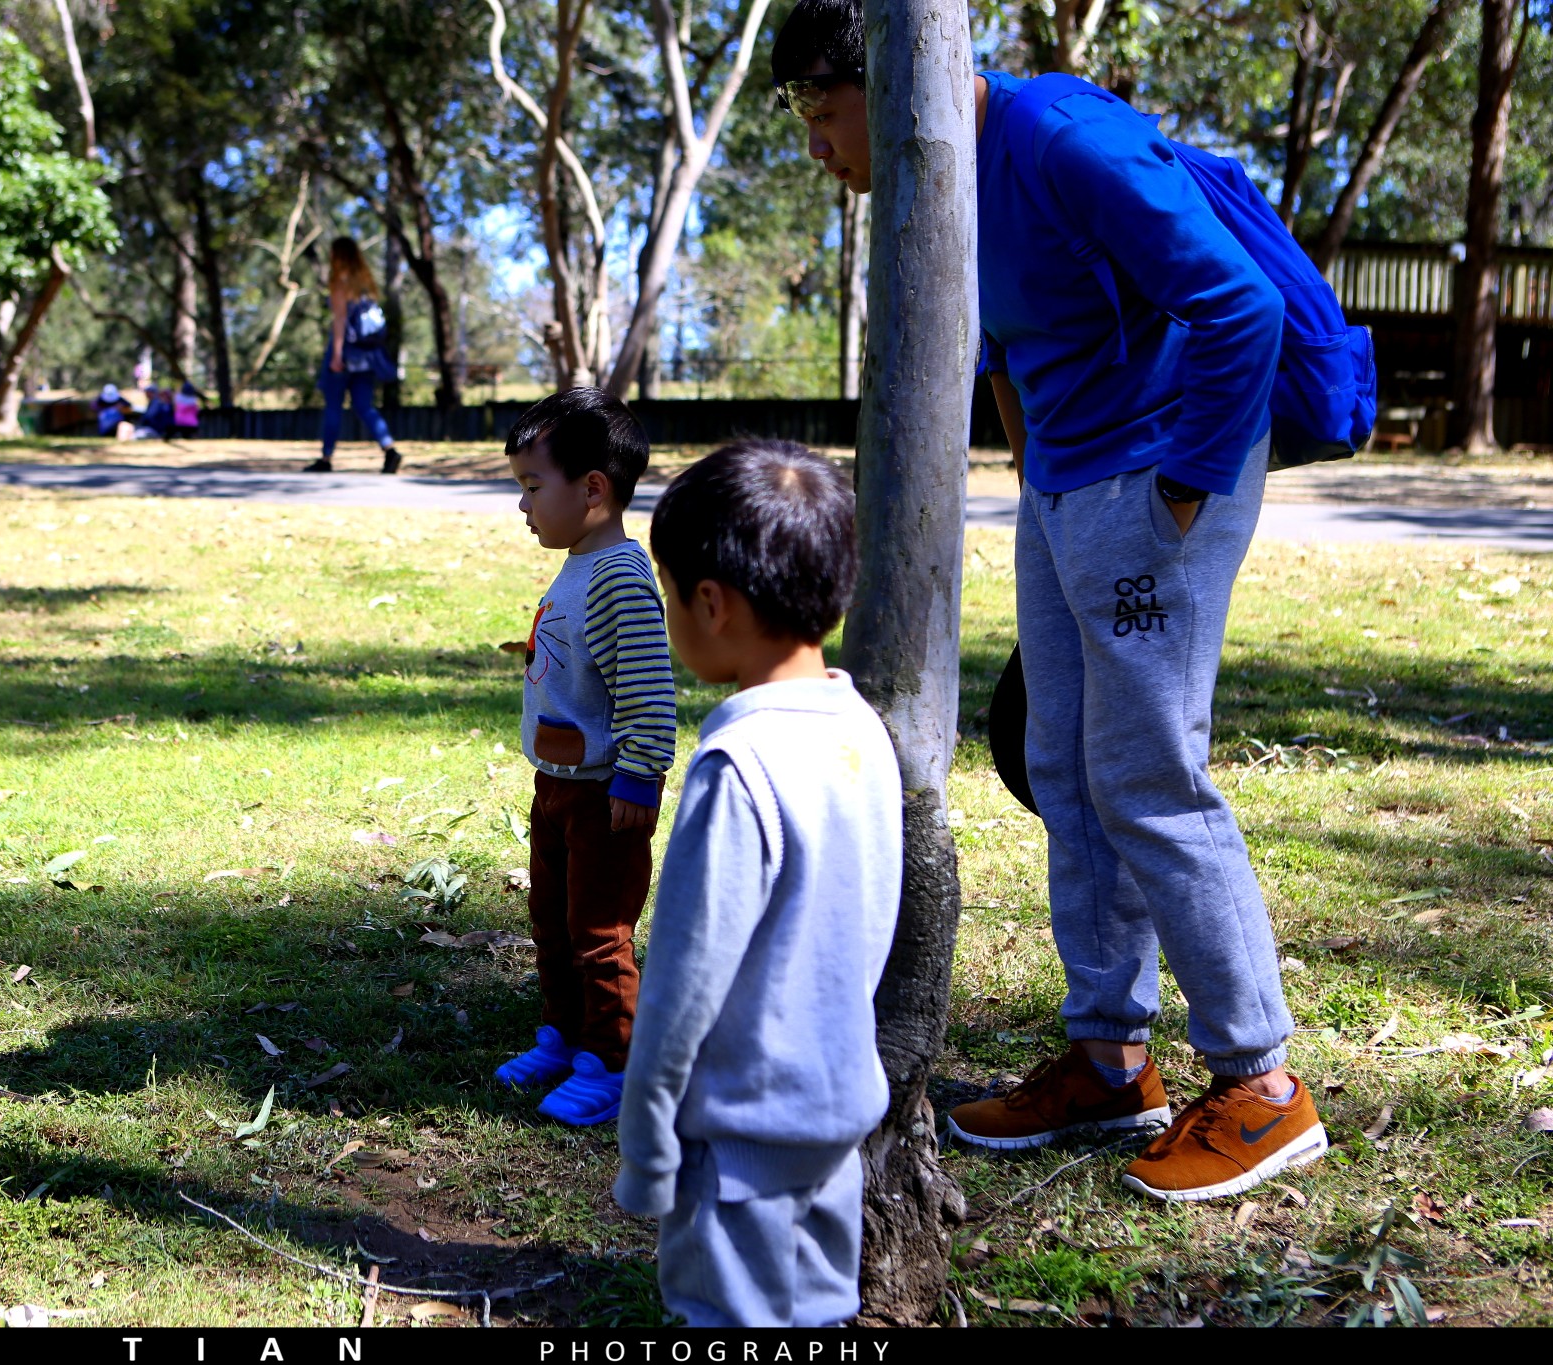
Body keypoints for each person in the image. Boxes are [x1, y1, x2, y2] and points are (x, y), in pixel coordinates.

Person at [771, 0, 1325, 1203]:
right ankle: (1107, 1059)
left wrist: (1173, 495)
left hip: (1154, 482)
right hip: (1067, 494)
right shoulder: (941, 185)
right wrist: (1043, 490)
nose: (819, 149)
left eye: (824, 115)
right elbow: (1009, 354)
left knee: (1144, 774)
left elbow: (1239, 309)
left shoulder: (1061, 139)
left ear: (899, 78)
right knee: (1063, 766)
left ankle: (1260, 1084)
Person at [616, 439, 900, 1327]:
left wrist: (647, 1141)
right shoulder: (862, 731)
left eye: (670, 599)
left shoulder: (737, 764)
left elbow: (681, 984)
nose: (669, 618)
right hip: (837, 1115)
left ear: (712, 602)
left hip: (738, 1140)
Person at [496, 387, 676, 1127]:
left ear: (593, 488)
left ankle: (613, 1056)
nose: (523, 506)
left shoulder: (620, 580)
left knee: (599, 932)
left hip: (606, 793)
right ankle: (564, 1035)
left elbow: (649, 693)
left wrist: (639, 776)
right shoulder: (577, 564)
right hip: (557, 785)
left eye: (533, 487)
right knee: (551, 918)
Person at [306, 237, 399, 475]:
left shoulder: (340, 281)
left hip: (345, 353)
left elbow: (340, 321)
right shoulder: (366, 284)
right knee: (364, 406)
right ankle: (390, 449)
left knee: (334, 407)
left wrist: (336, 355)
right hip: (367, 356)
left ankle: (326, 459)